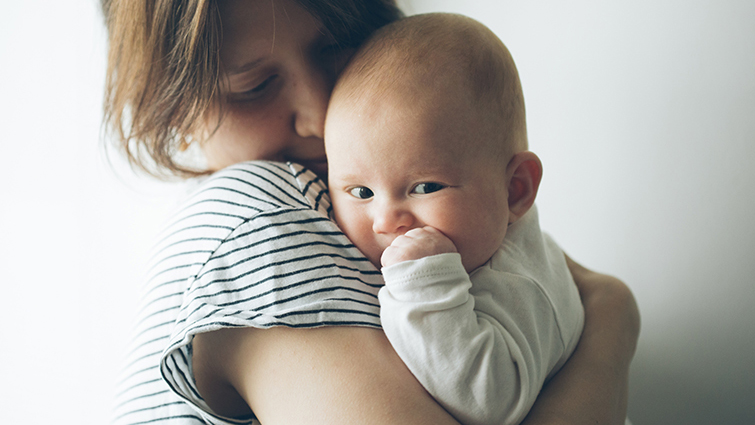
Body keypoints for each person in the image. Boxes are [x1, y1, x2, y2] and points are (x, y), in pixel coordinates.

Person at [102, 1, 640, 424]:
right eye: (254, 86)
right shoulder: (255, 212)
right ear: (176, 113)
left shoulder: (372, 192)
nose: (319, 112)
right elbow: (589, 296)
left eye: (335, 47)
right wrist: (612, 323)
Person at [324, 12, 588, 425]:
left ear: (515, 189)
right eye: (361, 193)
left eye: (426, 187)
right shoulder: (488, 243)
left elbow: (490, 404)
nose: (385, 220)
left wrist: (425, 286)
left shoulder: (520, 284)